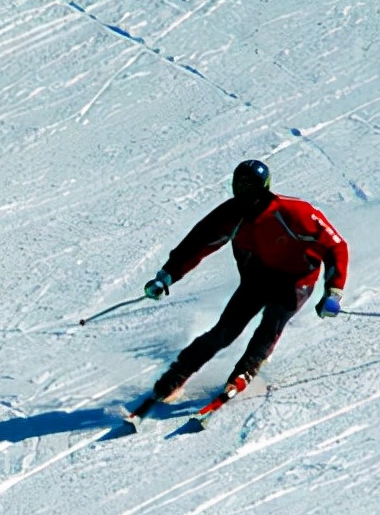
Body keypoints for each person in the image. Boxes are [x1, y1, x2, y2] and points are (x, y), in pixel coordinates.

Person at [143, 159, 349, 403]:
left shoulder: (294, 213)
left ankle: (245, 370)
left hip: (296, 280)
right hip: (257, 278)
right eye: (239, 184)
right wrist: (167, 276)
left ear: (264, 187)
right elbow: (196, 244)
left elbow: (336, 246)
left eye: (250, 185)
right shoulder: (230, 215)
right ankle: (178, 374)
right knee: (225, 330)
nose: (244, 191)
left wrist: (333, 291)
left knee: (271, 323)